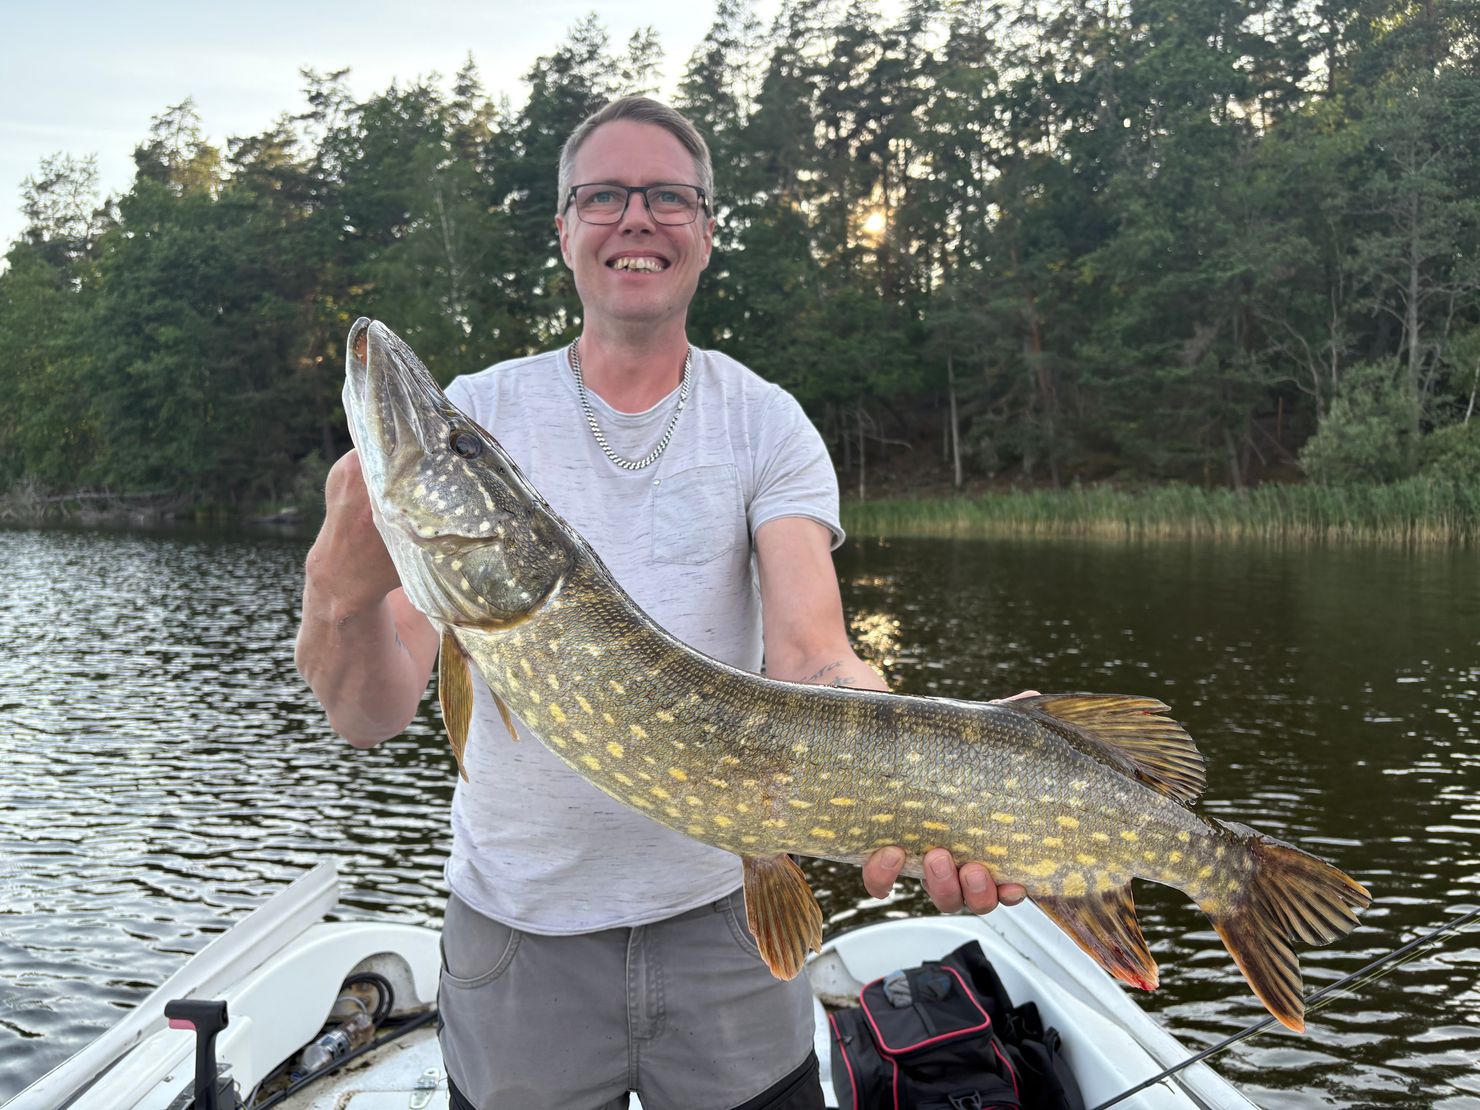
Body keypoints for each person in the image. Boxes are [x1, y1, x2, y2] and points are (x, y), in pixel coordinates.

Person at [295, 96, 1027, 1110]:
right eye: (603, 195)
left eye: (668, 197)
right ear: (564, 230)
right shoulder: (482, 410)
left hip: (727, 919)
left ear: (706, 231)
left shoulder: (766, 423)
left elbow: (814, 655)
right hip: (519, 936)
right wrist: (338, 594)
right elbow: (368, 716)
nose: (636, 217)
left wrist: (924, 772)